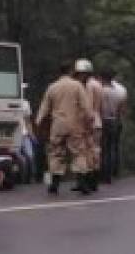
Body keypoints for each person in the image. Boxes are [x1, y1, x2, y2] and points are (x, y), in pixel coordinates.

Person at [35, 61, 93, 195]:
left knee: (56, 153)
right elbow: (85, 106)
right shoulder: (77, 85)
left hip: (58, 124)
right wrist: (89, 120)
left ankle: (54, 184)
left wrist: (39, 122)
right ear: (71, 71)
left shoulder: (52, 87)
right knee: (78, 152)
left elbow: (44, 108)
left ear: (59, 72)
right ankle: (82, 182)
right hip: (74, 124)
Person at [71, 59, 102, 193]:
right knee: (85, 152)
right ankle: (86, 181)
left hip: (89, 121)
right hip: (89, 121)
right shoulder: (94, 85)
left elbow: (90, 106)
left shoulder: (89, 86)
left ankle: (90, 181)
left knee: (89, 152)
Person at [100, 69, 128, 183]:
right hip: (115, 120)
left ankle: (104, 173)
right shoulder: (120, 90)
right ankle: (114, 171)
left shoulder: (99, 90)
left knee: (104, 148)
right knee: (114, 147)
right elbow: (122, 108)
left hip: (102, 120)